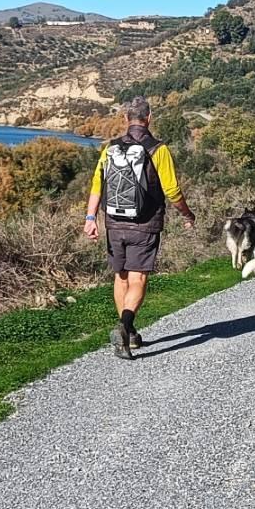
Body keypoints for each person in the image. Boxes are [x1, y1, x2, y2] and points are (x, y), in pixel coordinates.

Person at [84, 96, 196, 359]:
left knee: (120, 276)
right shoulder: (158, 149)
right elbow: (172, 190)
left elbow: (97, 186)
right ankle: (124, 326)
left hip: (114, 222)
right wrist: (187, 214)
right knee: (138, 278)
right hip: (144, 223)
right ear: (150, 118)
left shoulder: (110, 148)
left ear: (125, 119)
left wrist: (90, 219)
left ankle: (130, 333)